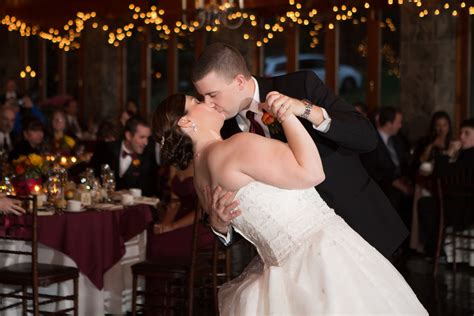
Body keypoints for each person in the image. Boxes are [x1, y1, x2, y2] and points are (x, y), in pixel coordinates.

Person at [152, 93, 426, 314]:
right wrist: (287, 116)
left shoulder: (200, 175)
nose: (208, 102)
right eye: (197, 103)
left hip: (279, 271)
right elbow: (312, 173)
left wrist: (218, 225)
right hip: (320, 254)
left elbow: (228, 218)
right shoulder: (233, 148)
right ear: (186, 123)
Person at [191, 42, 407, 258]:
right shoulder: (225, 135)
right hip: (297, 254)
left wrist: (307, 111)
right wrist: (220, 226)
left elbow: (366, 139)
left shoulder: (298, 85)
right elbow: (247, 206)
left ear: (239, 81)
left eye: (213, 95)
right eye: (202, 97)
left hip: (359, 226)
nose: (208, 104)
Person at [360, 106, 413, 227]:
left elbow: (404, 162)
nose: (400, 126)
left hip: (400, 181)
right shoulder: (371, 140)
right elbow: (372, 170)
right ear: (389, 123)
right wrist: (394, 182)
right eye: (398, 123)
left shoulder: (398, 140)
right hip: (382, 186)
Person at [89, 117, 158, 196]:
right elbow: (92, 175)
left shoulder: (148, 158)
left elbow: (149, 191)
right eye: (142, 137)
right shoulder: (106, 149)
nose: (146, 142)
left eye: (147, 138)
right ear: (128, 135)